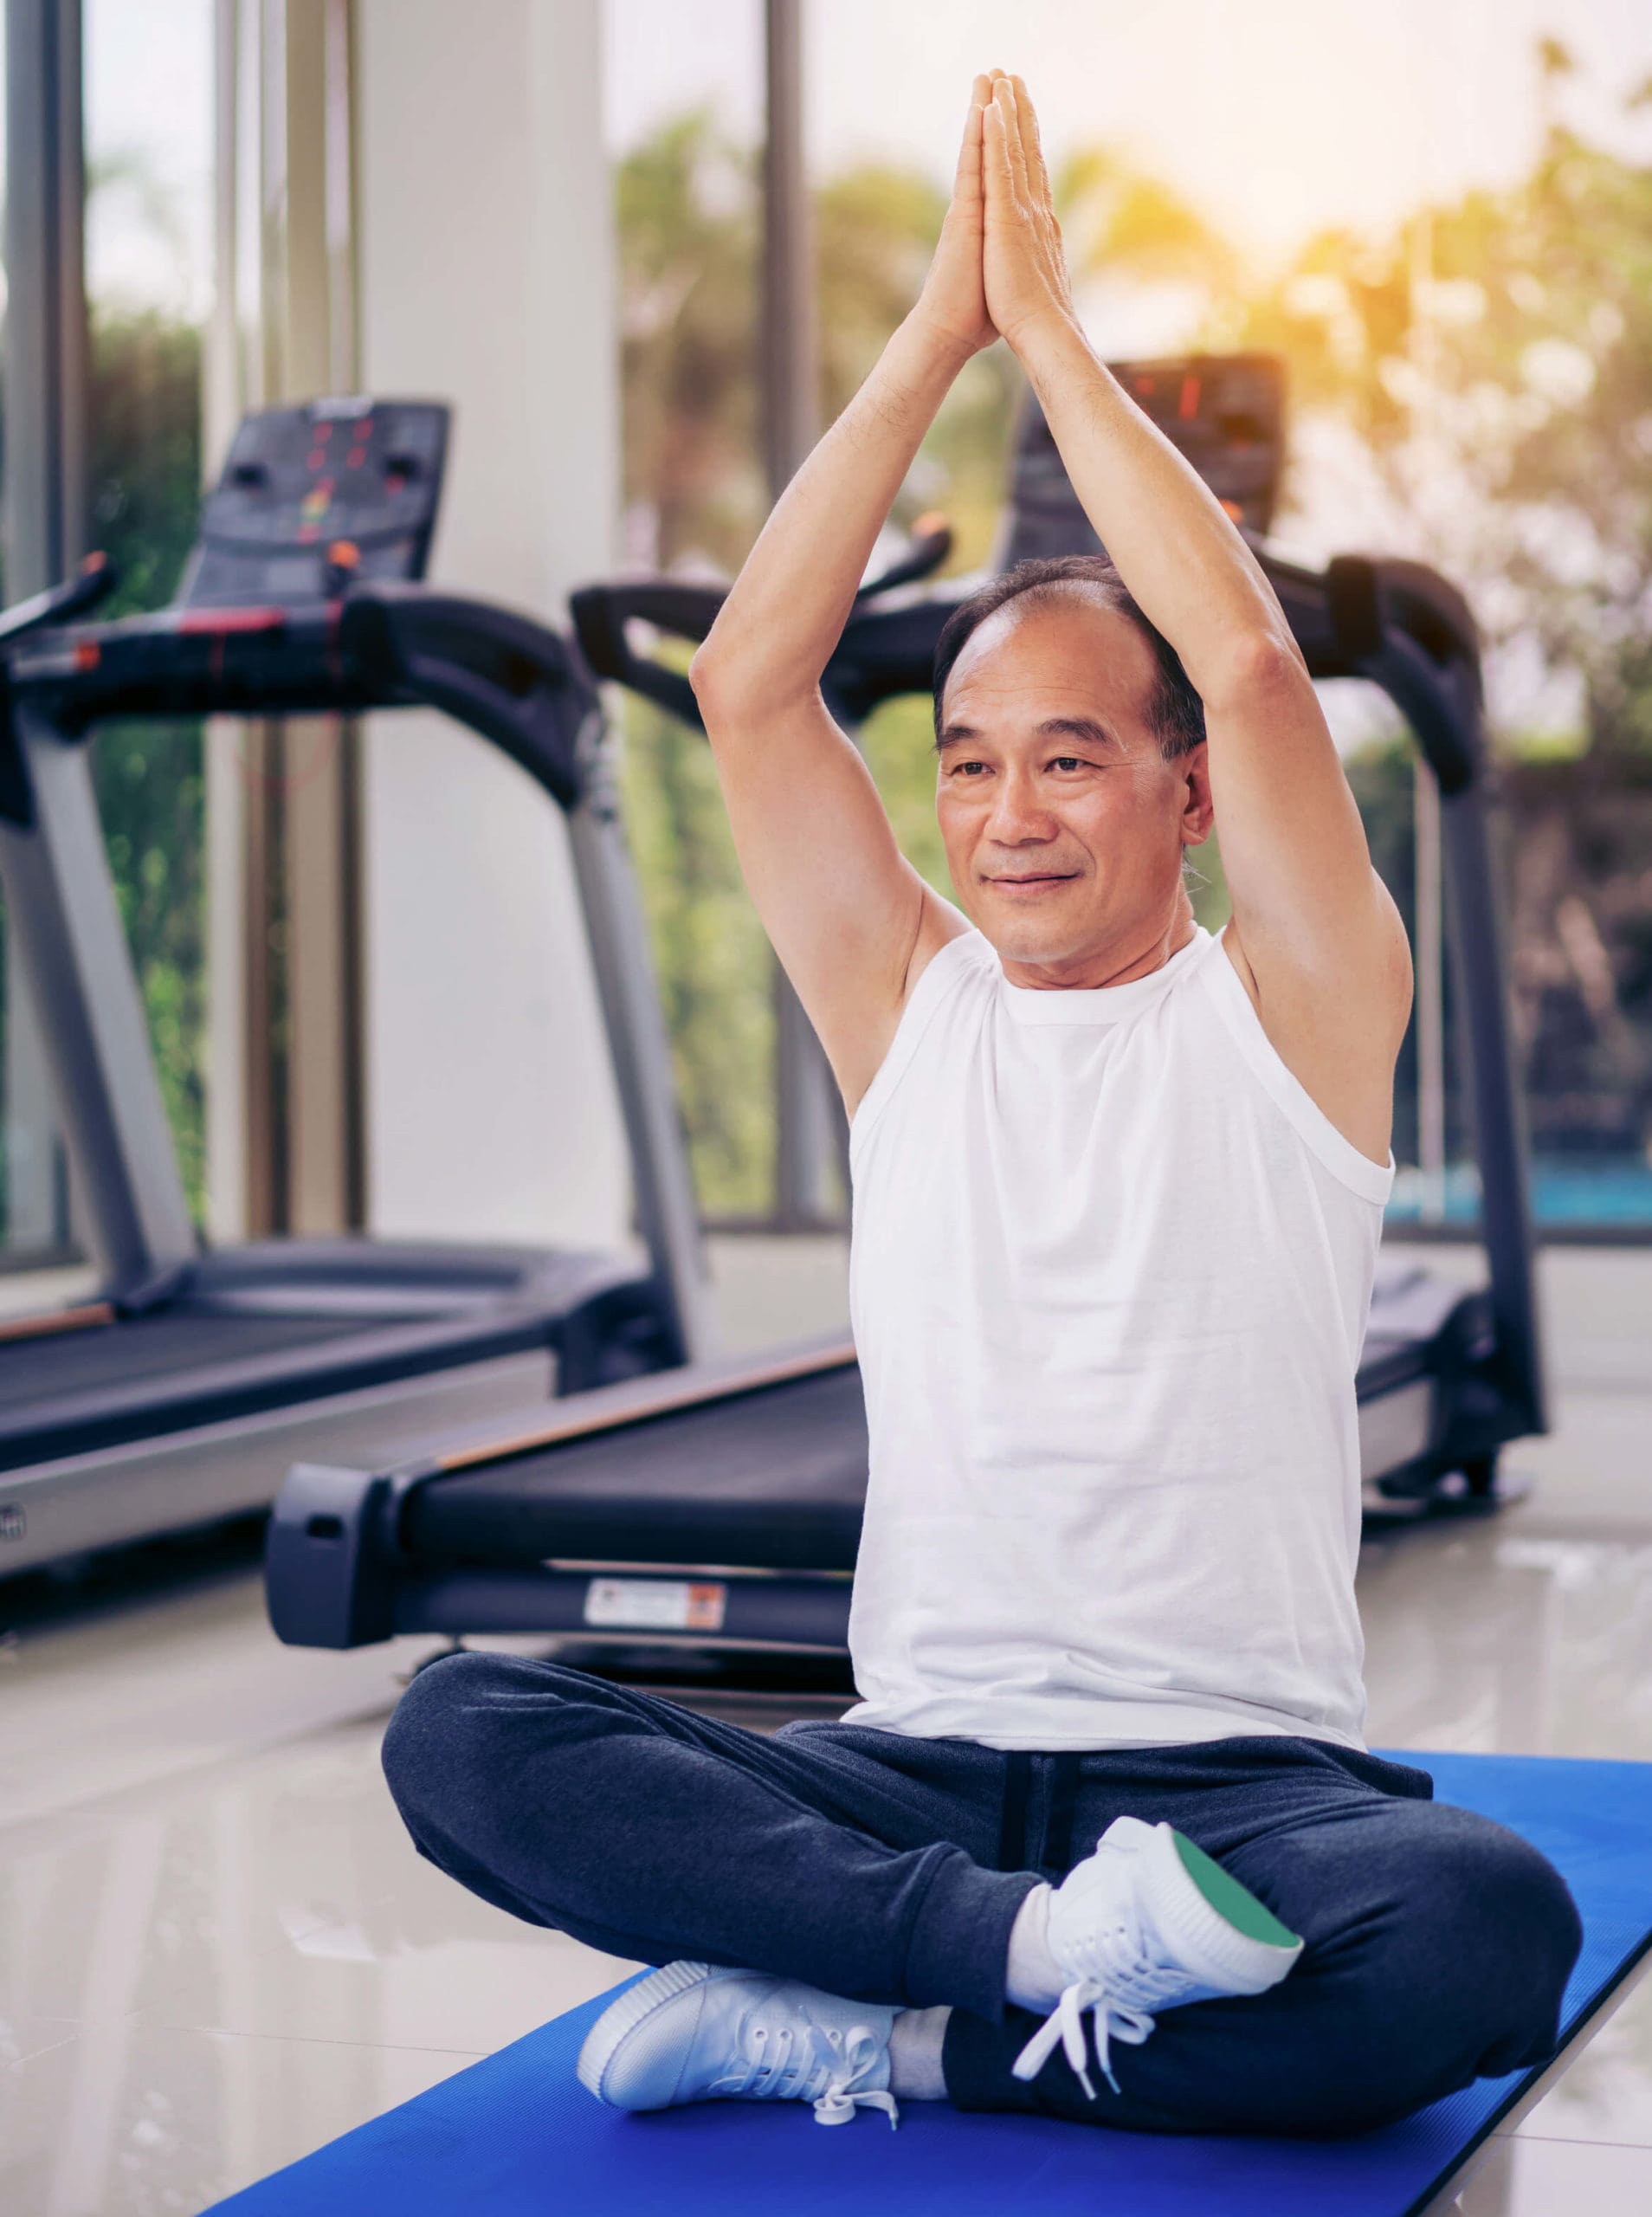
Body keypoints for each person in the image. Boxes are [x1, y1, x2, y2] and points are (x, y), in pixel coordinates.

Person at [382, 71, 1581, 2138]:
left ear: (1188, 795)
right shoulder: (909, 1007)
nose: (1005, 814)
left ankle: (870, 2026)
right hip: (921, 1758)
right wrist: (935, 327)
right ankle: (1026, 1964)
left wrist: (1050, 341)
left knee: (1486, 1924)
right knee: (464, 1731)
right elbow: (752, 682)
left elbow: (1266, 669)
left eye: (1070, 759)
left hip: (1235, 1792)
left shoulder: (1300, 1016)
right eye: (966, 761)